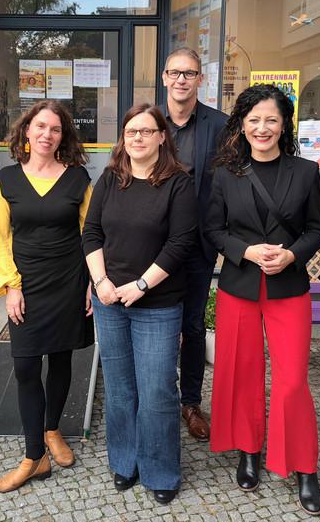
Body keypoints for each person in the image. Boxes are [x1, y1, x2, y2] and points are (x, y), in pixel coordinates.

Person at [205, 84, 320, 516]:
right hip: (239, 287)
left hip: (288, 289)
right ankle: (249, 449)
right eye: (253, 120)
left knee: (292, 380)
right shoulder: (224, 174)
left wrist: (292, 255)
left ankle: (304, 467)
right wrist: (245, 251)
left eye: (271, 120)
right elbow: (213, 230)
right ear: (241, 124)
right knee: (242, 373)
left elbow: (317, 229)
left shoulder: (306, 172)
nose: (262, 128)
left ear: (283, 125)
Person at [82, 103, 197, 505]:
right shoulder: (111, 179)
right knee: (119, 388)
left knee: (157, 390)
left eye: (146, 131)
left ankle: (161, 469)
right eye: (131, 131)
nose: (137, 138)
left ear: (162, 137)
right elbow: (91, 232)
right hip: (110, 300)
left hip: (158, 303)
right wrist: (101, 282)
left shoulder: (178, 183)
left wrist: (142, 286)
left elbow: (181, 242)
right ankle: (125, 461)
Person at [0, 100, 94, 492]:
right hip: (26, 285)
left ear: (62, 136)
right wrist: (10, 285)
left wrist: (91, 282)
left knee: (62, 359)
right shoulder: (7, 180)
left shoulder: (79, 179)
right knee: (26, 367)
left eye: (55, 129)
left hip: (69, 280)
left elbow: (92, 234)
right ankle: (34, 457)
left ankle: (51, 433)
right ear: (26, 132)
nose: (47, 134)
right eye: (40, 127)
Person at [159, 48, 228, 441]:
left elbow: (227, 184)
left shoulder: (219, 125)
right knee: (157, 325)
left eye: (190, 73)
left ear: (201, 79)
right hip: (154, 246)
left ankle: (190, 403)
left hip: (199, 245)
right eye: (175, 73)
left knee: (192, 325)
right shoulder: (149, 122)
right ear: (165, 77)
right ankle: (160, 399)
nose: (182, 79)